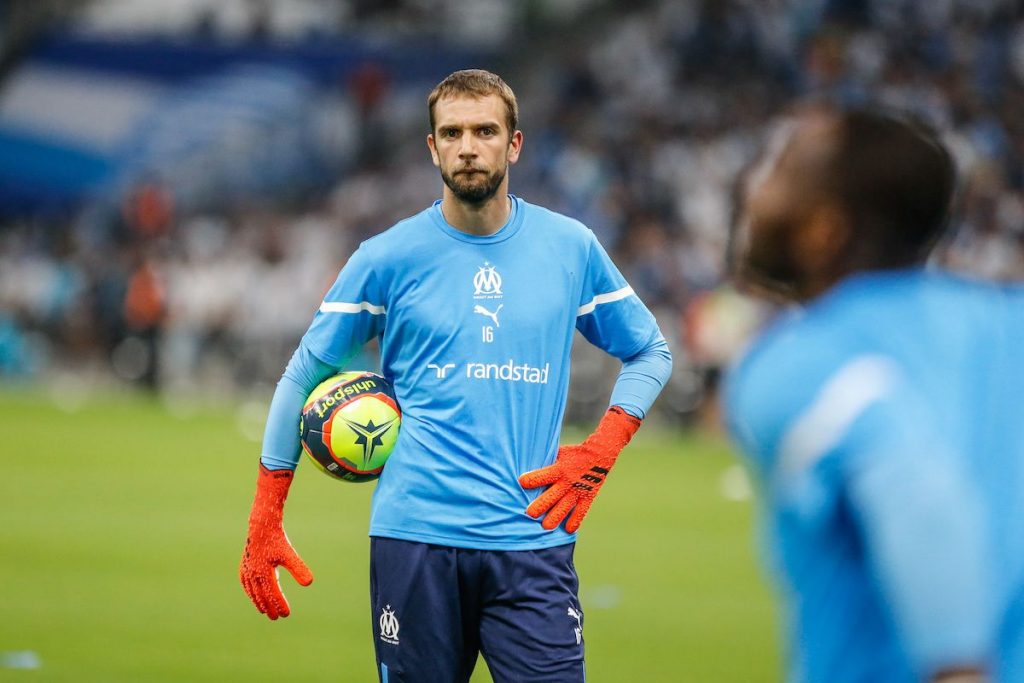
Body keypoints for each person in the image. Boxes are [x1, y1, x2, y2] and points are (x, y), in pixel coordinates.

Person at [239, 69, 672, 682]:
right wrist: (265, 517)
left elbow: (651, 351)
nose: (469, 146)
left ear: (514, 144)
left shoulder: (569, 248)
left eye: (486, 131)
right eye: (453, 133)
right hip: (414, 542)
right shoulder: (386, 256)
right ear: (432, 147)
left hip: (533, 542)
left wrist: (602, 448)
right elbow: (301, 376)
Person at [724, 105, 1024, 683]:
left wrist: (957, 667)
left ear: (823, 232)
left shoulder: (799, 362)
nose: (753, 188)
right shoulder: (1007, 324)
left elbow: (916, 490)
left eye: (780, 170)